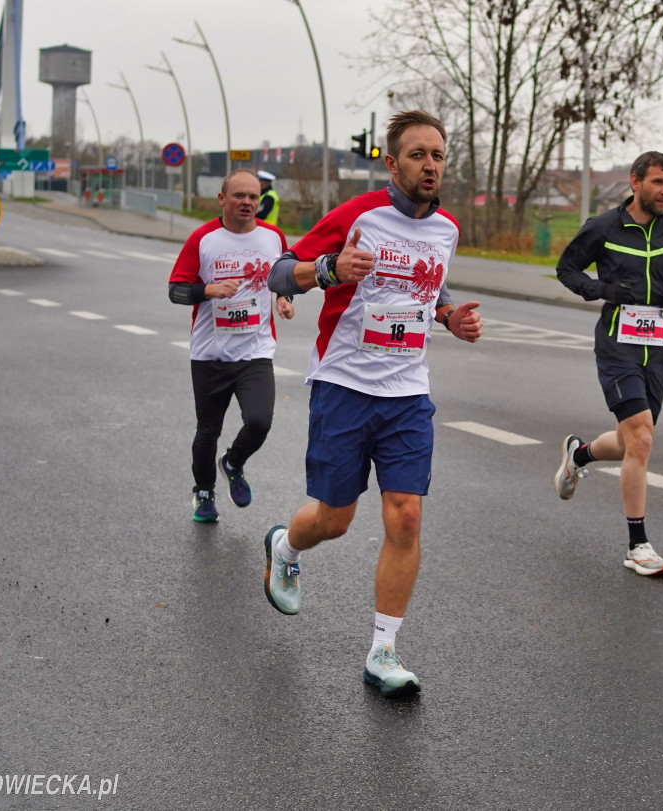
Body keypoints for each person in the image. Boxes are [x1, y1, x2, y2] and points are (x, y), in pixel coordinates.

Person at [265, 109, 482, 698]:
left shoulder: (448, 230)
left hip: (408, 393)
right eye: (417, 154)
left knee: (406, 514)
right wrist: (332, 269)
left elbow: (426, 288)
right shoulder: (358, 216)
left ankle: (383, 649)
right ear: (391, 163)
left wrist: (447, 316)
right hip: (344, 386)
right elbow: (279, 274)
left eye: (437, 155)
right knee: (334, 520)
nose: (430, 165)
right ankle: (285, 545)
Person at [552, 151, 663, 576]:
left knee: (632, 439)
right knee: (641, 437)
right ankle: (638, 545)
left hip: (657, 345)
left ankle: (579, 455)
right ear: (635, 183)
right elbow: (567, 269)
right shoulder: (603, 227)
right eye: (659, 182)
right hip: (618, 343)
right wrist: (602, 288)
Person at [168, 169, 295, 523]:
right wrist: (209, 290)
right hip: (210, 353)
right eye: (239, 195)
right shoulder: (203, 238)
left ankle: (234, 462)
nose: (247, 202)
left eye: (253, 197)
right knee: (207, 430)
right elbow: (176, 290)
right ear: (222, 199)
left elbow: (280, 279)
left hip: (255, 351)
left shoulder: (273, 237)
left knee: (259, 421)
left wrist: (283, 299)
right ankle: (204, 491)